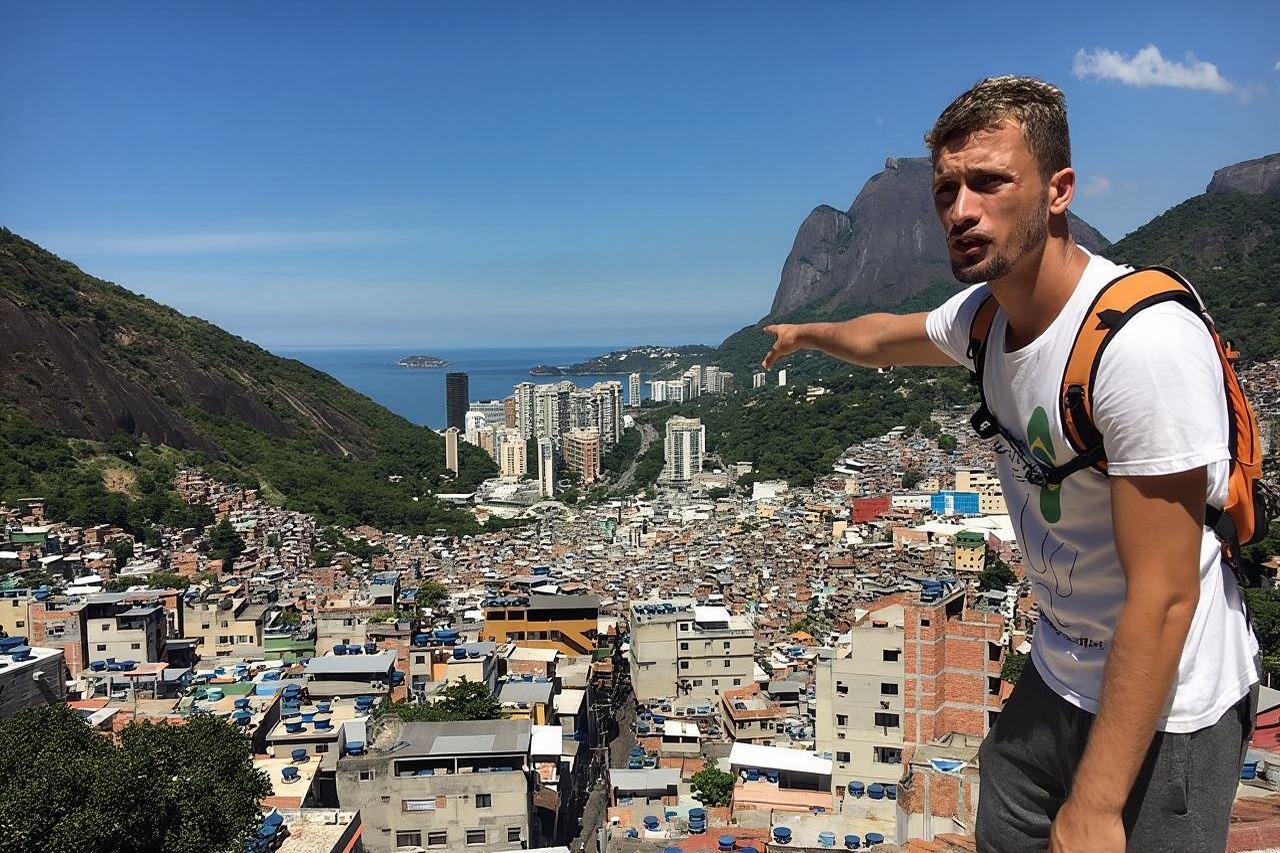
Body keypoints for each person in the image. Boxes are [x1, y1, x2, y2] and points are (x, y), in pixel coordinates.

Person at [762, 76, 1260, 852]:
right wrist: (807, 333)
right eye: (946, 189)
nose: (962, 209)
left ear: (1058, 191)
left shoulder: (1140, 345)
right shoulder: (984, 317)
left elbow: (1164, 600)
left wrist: (1096, 803)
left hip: (1170, 703)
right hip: (1058, 673)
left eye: (990, 182)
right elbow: (883, 335)